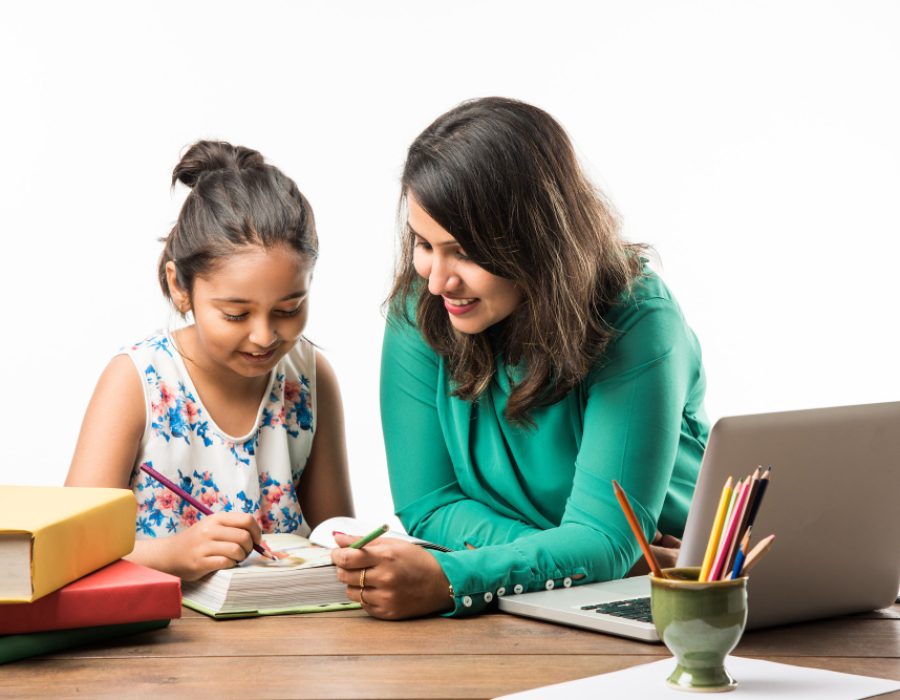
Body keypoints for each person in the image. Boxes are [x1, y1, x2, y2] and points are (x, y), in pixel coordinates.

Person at [332, 97, 708, 619]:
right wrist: (583, 557)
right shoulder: (421, 308)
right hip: (578, 587)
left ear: (536, 240)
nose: (437, 279)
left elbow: (606, 539)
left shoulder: (639, 319)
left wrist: (456, 579)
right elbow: (429, 503)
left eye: (464, 251)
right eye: (424, 243)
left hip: (674, 592)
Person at [67, 141, 353, 580]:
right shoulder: (137, 382)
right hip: (166, 638)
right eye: (235, 314)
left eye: (289, 309)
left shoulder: (310, 377)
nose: (264, 336)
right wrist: (174, 556)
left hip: (289, 630)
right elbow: (68, 553)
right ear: (180, 287)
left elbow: (333, 536)